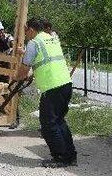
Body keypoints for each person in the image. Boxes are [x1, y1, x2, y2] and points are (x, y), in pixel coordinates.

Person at [14, 17, 77, 168]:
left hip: (52, 87)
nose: (25, 34)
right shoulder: (52, 38)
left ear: (31, 29)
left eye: (25, 30)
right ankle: (70, 154)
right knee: (59, 120)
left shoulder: (34, 43)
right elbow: (45, 60)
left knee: (48, 123)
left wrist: (15, 77)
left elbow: (23, 70)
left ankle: (60, 157)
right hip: (65, 84)